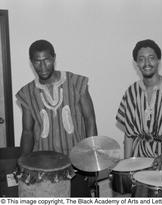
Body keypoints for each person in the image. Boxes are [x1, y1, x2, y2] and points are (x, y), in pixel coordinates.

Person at [16, 39, 98, 196]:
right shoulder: (27, 93)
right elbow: (27, 132)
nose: (42, 66)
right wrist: (22, 165)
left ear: (54, 58)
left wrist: (91, 161)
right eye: (37, 62)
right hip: (42, 169)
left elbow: (90, 120)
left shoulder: (76, 82)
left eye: (46, 60)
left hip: (75, 164)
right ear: (31, 62)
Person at [116, 39, 162, 165]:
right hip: (139, 157)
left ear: (158, 61)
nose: (147, 63)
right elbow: (129, 134)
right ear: (136, 64)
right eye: (141, 59)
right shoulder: (131, 92)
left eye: (151, 58)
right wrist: (126, 164)